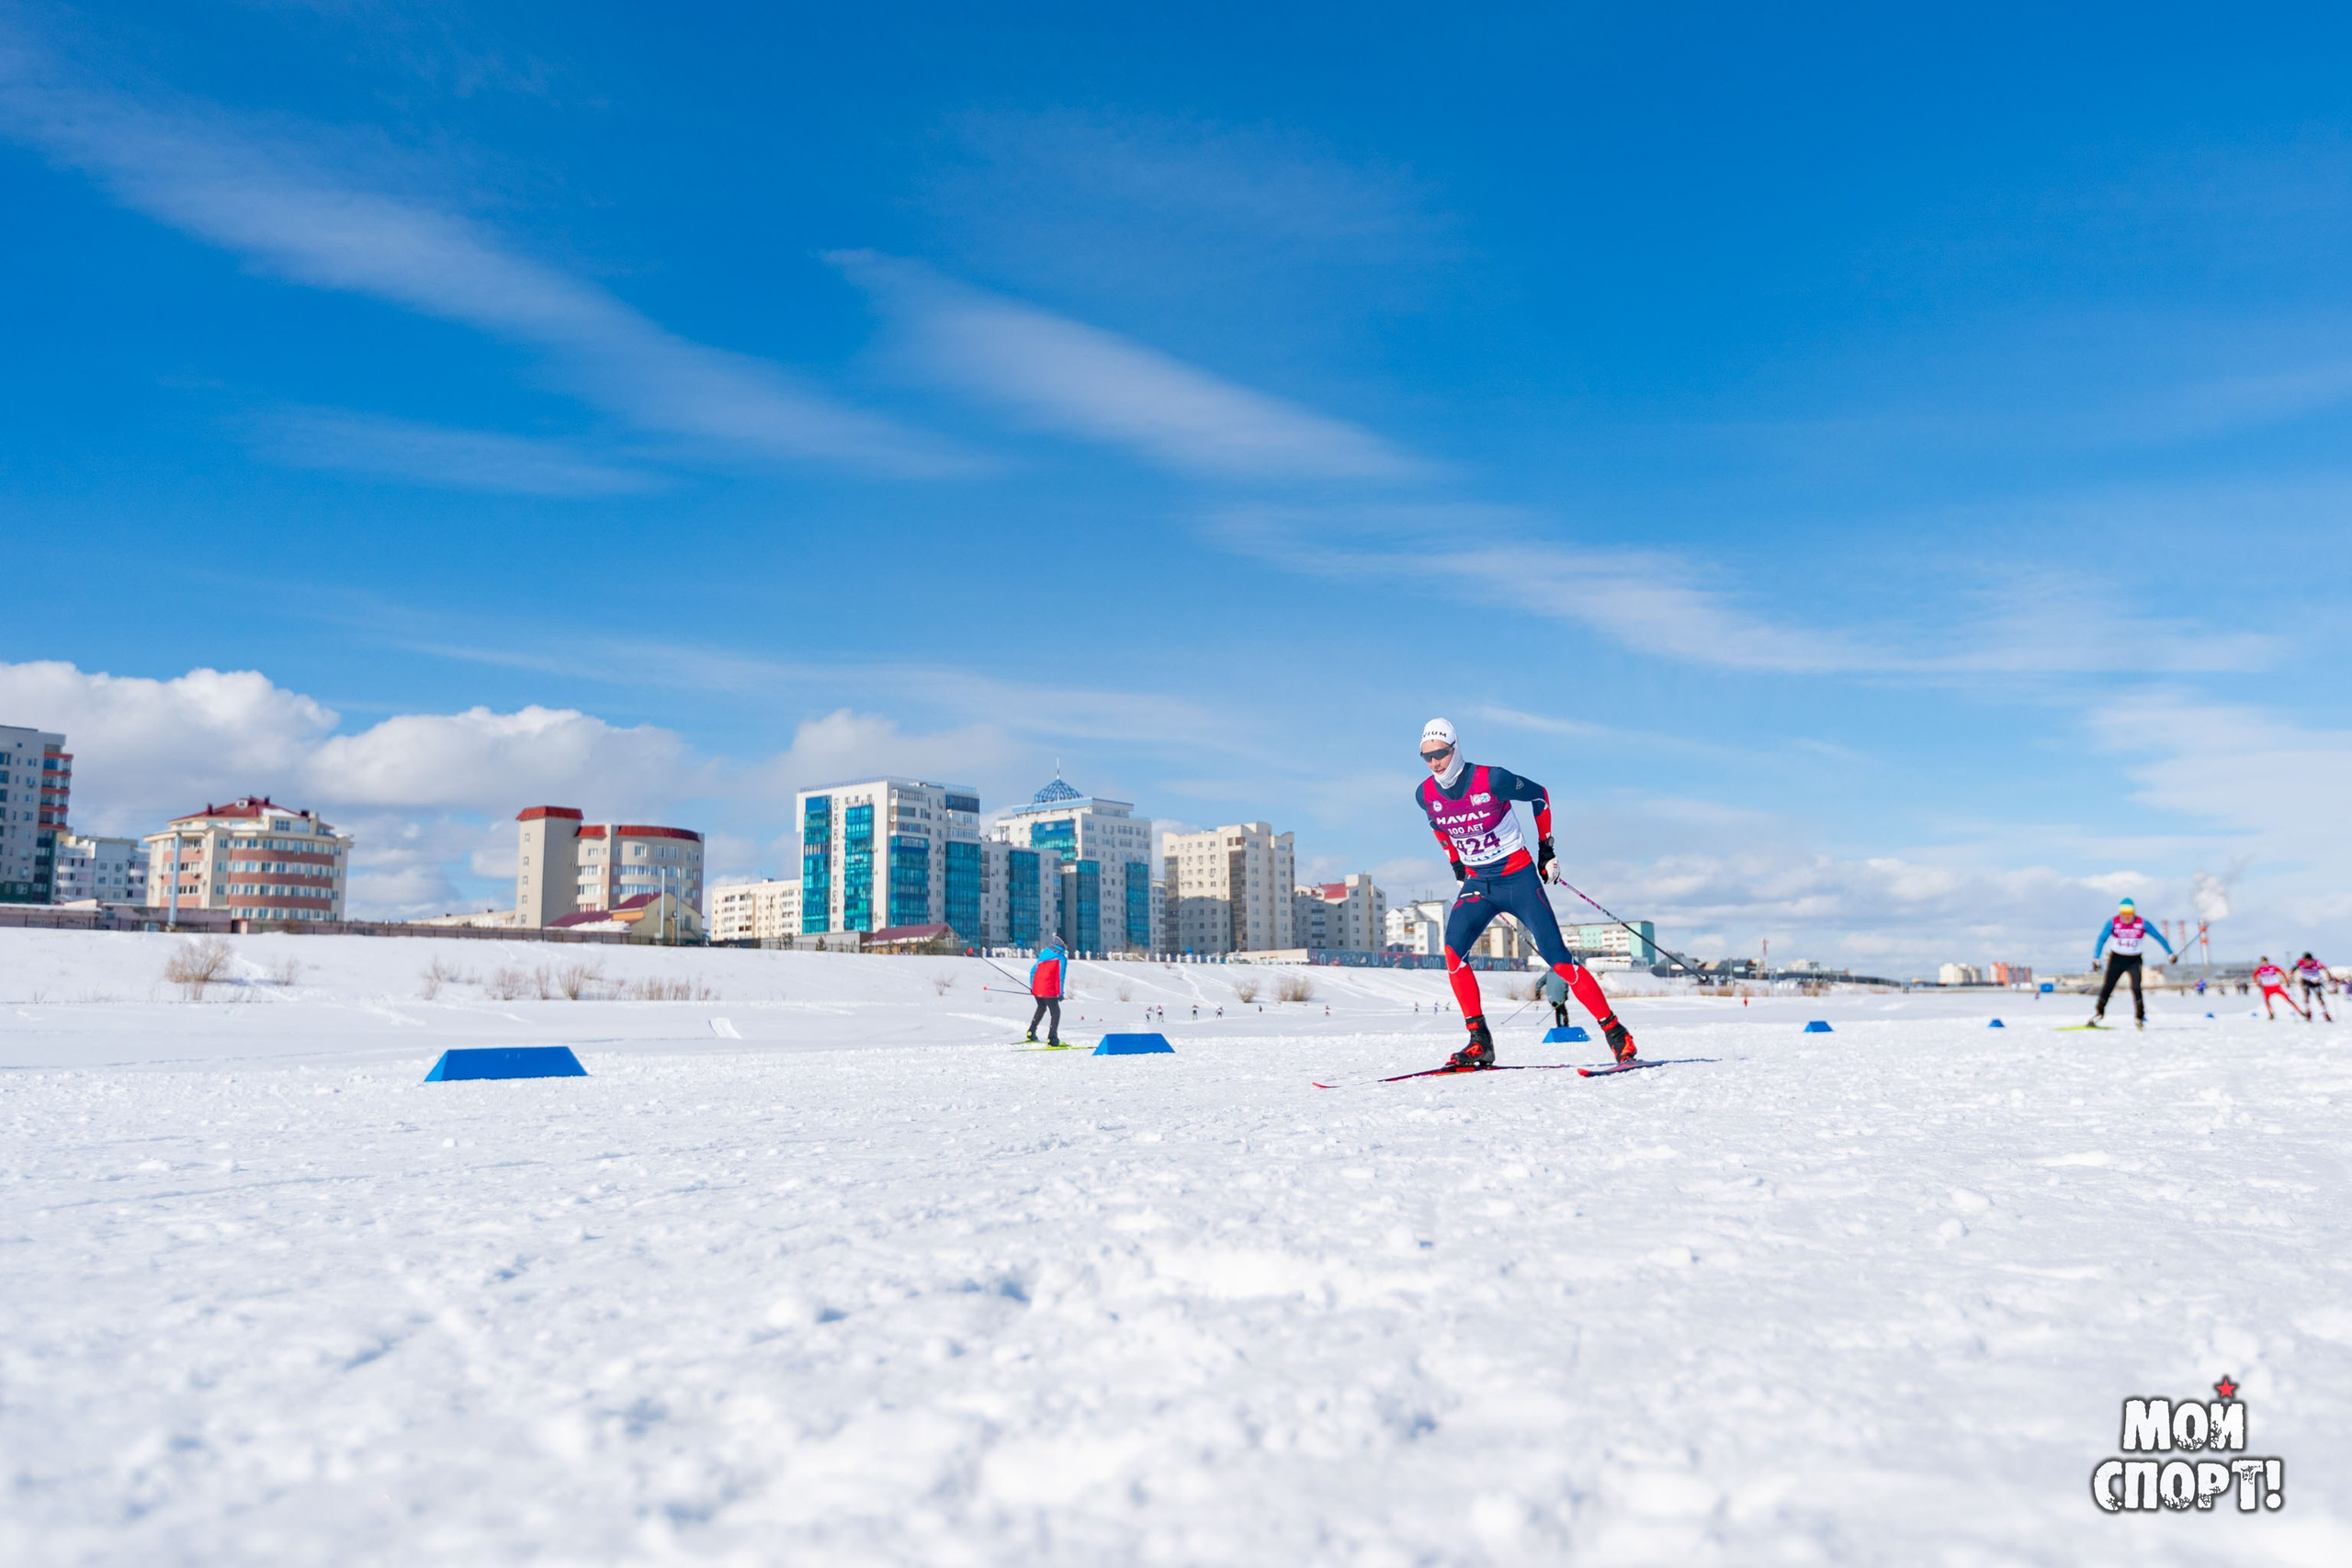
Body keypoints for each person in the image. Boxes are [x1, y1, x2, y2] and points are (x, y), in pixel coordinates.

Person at [1414, 717, 1637, 1068]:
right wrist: (1456, 865)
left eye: (1440, 753)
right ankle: (1479, 1043)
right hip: (1477, 883)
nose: (1435, 762)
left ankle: (1616, 1033)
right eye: (1426, 757)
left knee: (1558, 959)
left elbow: (1539, 794)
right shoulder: (1425, 794)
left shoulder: (1493, 779)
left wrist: (1546, 850)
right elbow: (1438, 827)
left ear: (1455, 749)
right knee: (1453, 952)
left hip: (1517, 877)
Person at [2089, 897, 2173, 1029]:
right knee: (2108, 986)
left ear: (2133, 913)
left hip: (2134, 960)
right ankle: (2099, 1013)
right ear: (2120, 913)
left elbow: (2159, 937)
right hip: (2117, 959)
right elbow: (2102, 939)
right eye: (2124, 914)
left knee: (2136, 988)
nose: (2126, 918)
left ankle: (2139, 1017)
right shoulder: (2113, 922)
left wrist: (2170, 953)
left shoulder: (2142, 923)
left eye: (2129, 914)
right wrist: (2096, 957)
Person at [1024, 940, 1067, 1044]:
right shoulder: (1061, 958)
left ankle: (1031, 1032)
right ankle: (1052, 1038)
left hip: (1037, 987)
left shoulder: (1043, 954)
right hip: (1049, 988)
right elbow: (1060, 977)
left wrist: (1033, 987)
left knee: (1042, 1007)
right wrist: (1060, 993)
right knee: (1056, 1012)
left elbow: (1032, 971)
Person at [2254, 956, 2307, 1021]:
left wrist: (2287, 981)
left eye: (2266, 962)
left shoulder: (2273, 967)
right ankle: (2271, 1013)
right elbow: (2254, 975)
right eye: (2263, 962)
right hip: (2266, 987)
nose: (2265, 963)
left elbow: (2282, 972)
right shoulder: (2260, 969)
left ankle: (2300, 1011)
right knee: (2267, 1001)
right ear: (2261, 963)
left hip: (2276, 986)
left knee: (2288, 999)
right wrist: (2258, 983)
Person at [2291, 953, 2333, 1021]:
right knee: (2307, 996)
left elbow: (2326, 970)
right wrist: (2291, 977)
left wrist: (2330, 978)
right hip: (2306, 980)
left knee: (2319, 997)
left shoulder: (2317, 963)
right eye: (2305, 961)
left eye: (2309, 961)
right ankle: (2308, 1011)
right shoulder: (2300, 962)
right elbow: (2293, 969)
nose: (2307, 963)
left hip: (2316, 981)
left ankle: (2325, 1012)